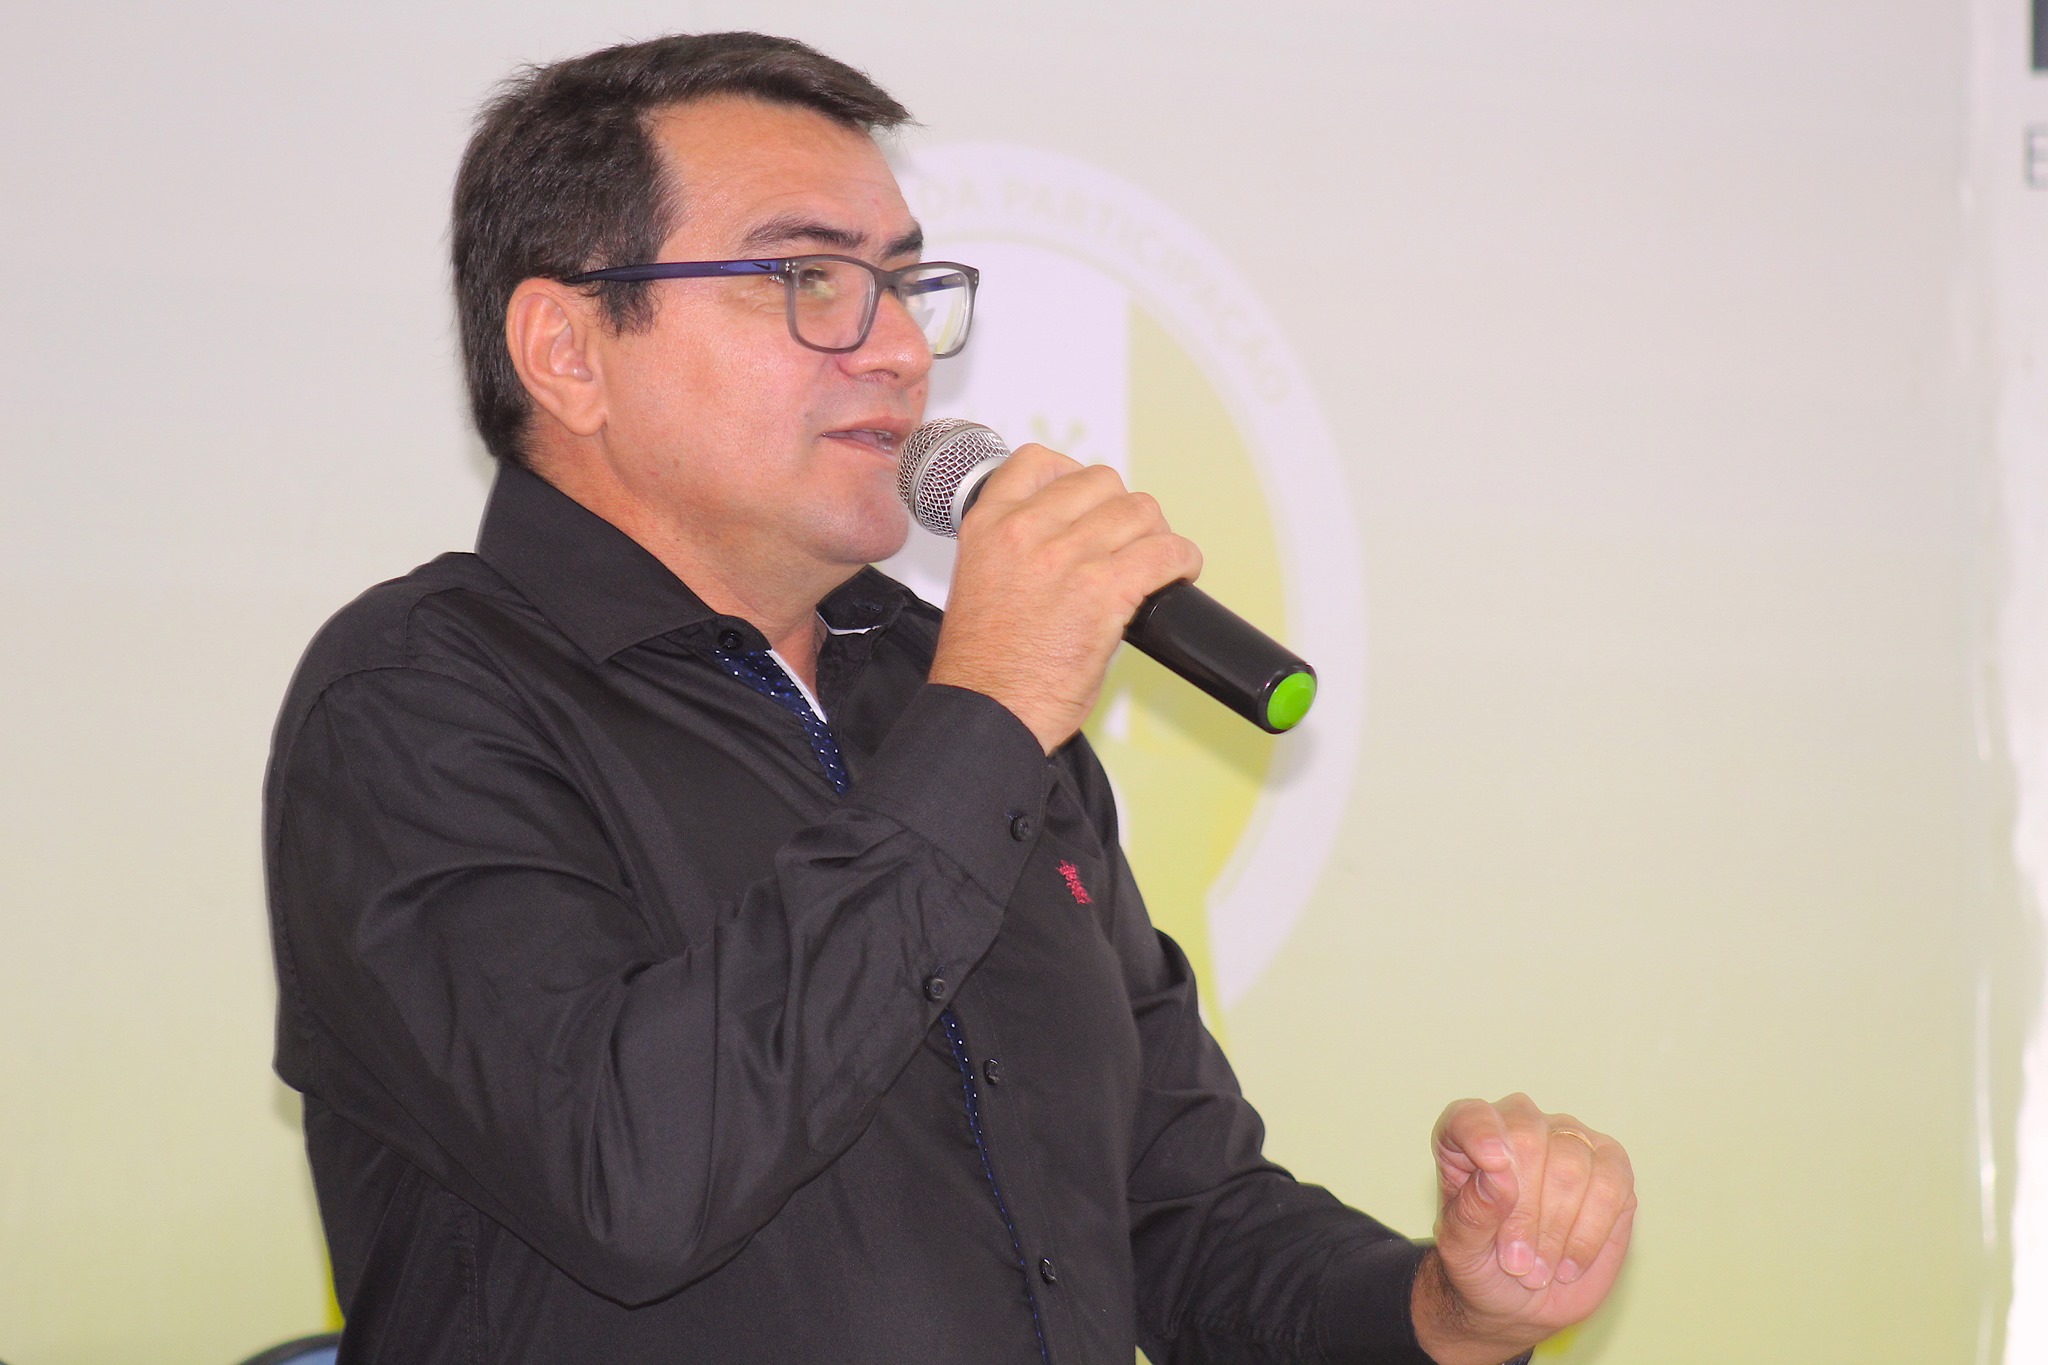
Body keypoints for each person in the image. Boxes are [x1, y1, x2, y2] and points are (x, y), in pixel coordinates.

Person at [263, 31, 1635, 1365]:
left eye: (907, 285)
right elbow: (629, 1173)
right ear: (567, 349)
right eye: (809, 277)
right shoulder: (415, 700)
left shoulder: (952, 691)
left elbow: (1181, 1219)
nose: (901, 352)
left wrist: (1448, 1311)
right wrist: (988, 714)